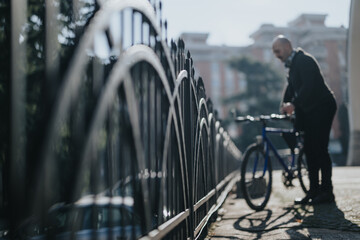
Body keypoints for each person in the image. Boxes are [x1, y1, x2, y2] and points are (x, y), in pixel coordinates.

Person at [272, 35, 337, 205]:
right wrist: (284, 105)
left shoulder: (305, 60)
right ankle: (314, 191)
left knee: (320, 148)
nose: (276, 55)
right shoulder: (292, 67)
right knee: (309, 149)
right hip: (309, 110)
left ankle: (327, 192)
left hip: (322, 107)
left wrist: (293, 104)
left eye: (277, 51)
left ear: (287, 47)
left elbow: (309, 86)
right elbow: (290, 87)